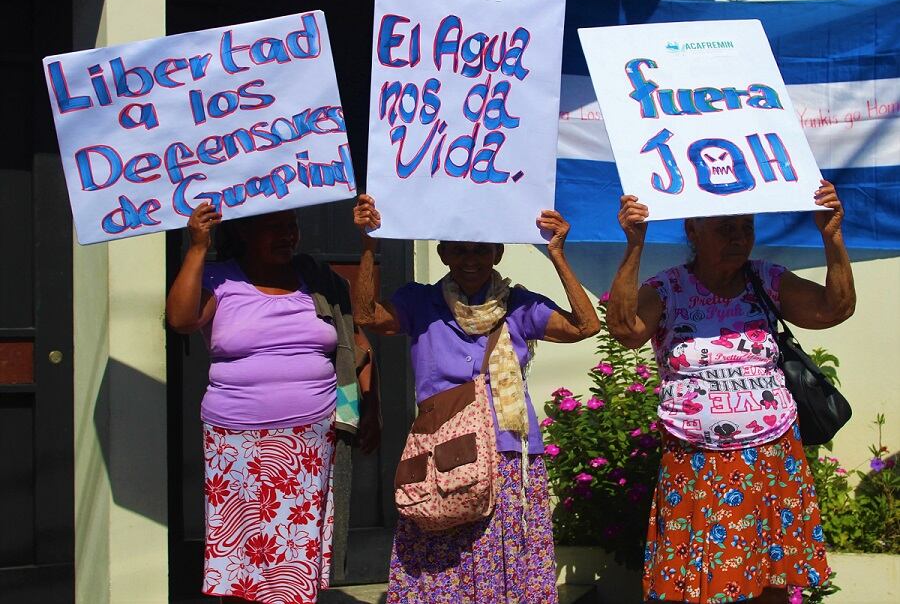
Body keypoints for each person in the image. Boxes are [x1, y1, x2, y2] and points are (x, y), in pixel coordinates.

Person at [606, 180, 856, 604]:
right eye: (725, 227)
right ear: (692, 230)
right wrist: (634, 245)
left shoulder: (766, 279)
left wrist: (831, 236)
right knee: (694, 582)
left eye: (746, 226)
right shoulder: (667, 289)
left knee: (769, 577)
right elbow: (625, 330)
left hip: (770, 455)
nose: (738, 237)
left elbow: (836, 308)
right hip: (697, 460)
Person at [352, 194, 600, 603]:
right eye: (461, 249)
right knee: (442, 562)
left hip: (507, 452)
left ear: (498, 252)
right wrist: (368, 246)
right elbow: (367, 316)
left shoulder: (519, 305)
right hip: (443, 454)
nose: (471, 258)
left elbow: (585, 325)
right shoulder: (420, 301)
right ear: (444, 252)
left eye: (481, 249)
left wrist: (557, 255)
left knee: (511, 562)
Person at [166, 204, 379, 604]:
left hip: (307, 443)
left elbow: (359, 343)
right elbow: (180, 319)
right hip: (236, 444)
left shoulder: (318, 281)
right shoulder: (218, 279)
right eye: (274, 227)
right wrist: (197, 247)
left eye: (292, 226)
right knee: (242, 555)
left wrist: (372, 408)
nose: (288, 235)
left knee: (292, 557)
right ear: (245, 232)